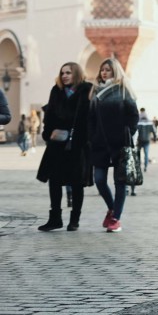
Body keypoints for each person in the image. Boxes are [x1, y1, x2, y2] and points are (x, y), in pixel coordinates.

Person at [36, 62, 93, 232]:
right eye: (62, 73)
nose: (65, 76)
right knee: (54, 181)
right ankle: (55, 219)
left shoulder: (86, 90)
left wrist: (86, 138)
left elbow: (90, 117)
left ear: (76, 73)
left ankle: (74, 219)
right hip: (58, 143)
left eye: (68, 73)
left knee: (77, 182)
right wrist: (48, 133)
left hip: (78, 144)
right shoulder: (56, 90)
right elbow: (50, 115)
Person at [89, 57, 139, 233]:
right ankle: (111, 208)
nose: (104, 72)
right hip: (100, 144)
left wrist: (127, 134)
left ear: (115, 71)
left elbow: (134, 116)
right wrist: (92, 136)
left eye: (108, 70)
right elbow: (91, 118)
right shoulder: (95, 92)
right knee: (100, 180)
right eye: (102, 69)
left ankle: (116, 218)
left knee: (120, 183)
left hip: (120, 144)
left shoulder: (123, 91)